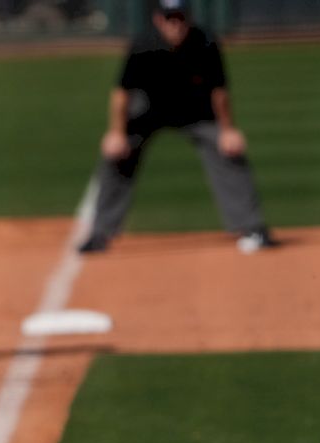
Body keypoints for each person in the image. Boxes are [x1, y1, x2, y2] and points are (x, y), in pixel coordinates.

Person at [77, 0, 277, 254]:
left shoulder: (204, 41)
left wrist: (228, 130)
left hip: (195, 111)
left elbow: (219, 91)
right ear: (158, 20)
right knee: (117, 154)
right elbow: (121, 94)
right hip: (148, 110)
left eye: (180, 18)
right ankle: (100, 232)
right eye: (170, 18)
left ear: (189, 19)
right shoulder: (143, 45)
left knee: (229, 150)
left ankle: (252, 226)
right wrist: (116, 133)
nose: (176, 25)